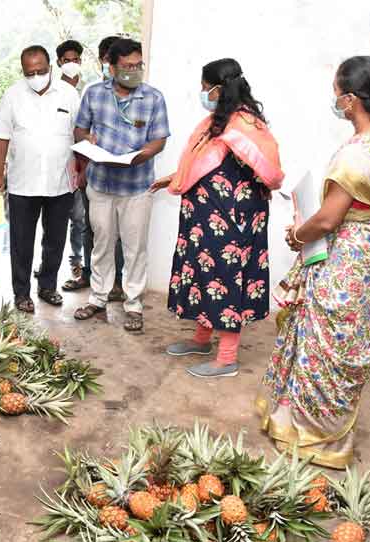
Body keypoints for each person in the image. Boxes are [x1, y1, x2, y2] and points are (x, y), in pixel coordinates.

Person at [256, 56, 370, 468]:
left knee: (325, 344)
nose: (334, 102)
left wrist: (297, 234)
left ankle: (317, 437)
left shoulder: (357, 156)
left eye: (337, 96)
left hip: (346, 262)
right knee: (347, 343)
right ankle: (327, 431)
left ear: (351, 100)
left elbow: (330, 218)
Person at [150, 59, 283, 378]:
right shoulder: (219, 121)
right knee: (203, 273)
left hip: (231, 221)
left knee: (225, 277)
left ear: (218, 89)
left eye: (204, 86)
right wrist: (175, 177)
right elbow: (203, 163)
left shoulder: (244, 126)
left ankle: (226, 358)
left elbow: (264, 169)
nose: (201, 92)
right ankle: (202, 339)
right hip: (204, 220)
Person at [72, 38, 169, 333]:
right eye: (127, 66)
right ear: (111, 67)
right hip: (100, 184)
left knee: (134, 248)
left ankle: (134, 305)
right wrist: (85, 139)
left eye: (138, 65)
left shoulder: (153, 97)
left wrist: (141, 156)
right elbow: (80, 128)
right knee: (100, 243)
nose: (134, 71)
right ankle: (98, 298)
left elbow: (159, 139)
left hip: (137, 186)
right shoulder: (93, 94)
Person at [0, 45, 80, 313]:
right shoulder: (12, 95)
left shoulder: (69, 94)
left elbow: (81, 133)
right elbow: (1, 136)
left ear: (51, 66)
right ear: (23, 71)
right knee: (21, 242)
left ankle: (47, 286)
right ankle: (21, 293)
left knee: (55, 240)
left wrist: (83, 170)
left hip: (61, 182)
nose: (36, 76)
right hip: (23, 183)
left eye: (41, 70)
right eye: (30, 72)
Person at [63, 35, 125, 299]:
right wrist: (84, 170)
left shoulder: (140, 94)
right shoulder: (92, 92)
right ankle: (89, 274)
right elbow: (82, 132)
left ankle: (118, 282)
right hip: (95, 174)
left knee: (120, 233)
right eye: (110, 60)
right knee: (92, 227)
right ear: (103, 61)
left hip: (126, 177)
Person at [55, 39, 87, 282]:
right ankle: (48, 264)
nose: (72, 64)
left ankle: (78, 263)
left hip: (82, 166)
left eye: (76, 60)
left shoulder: (88, 92)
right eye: (67, 60)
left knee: (80, 219)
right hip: (58, 166)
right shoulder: (52, 92)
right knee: (52, 220)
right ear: (58, 63)